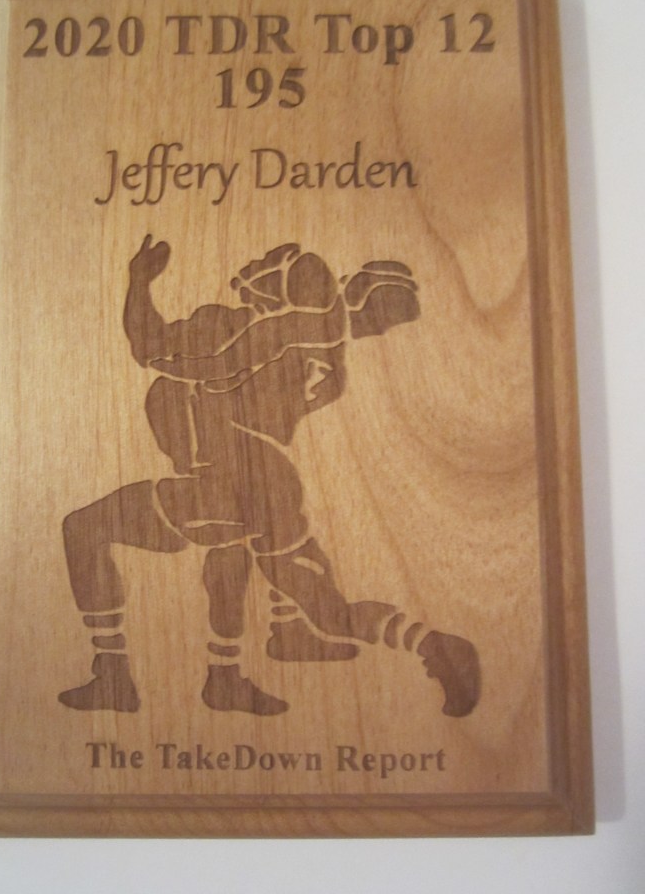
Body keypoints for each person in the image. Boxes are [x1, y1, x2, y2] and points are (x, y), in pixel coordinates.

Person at [58, 236, 480, 717]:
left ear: (285, 288)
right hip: (271, 484)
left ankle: (113, 675)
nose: (253, 266)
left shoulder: (267, 332)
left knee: (84, 528)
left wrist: (139, 284)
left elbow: (152, 348)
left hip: (224, 481)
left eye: (270, 264)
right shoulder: (320, 346)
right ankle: (428, 645)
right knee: (325, 609)